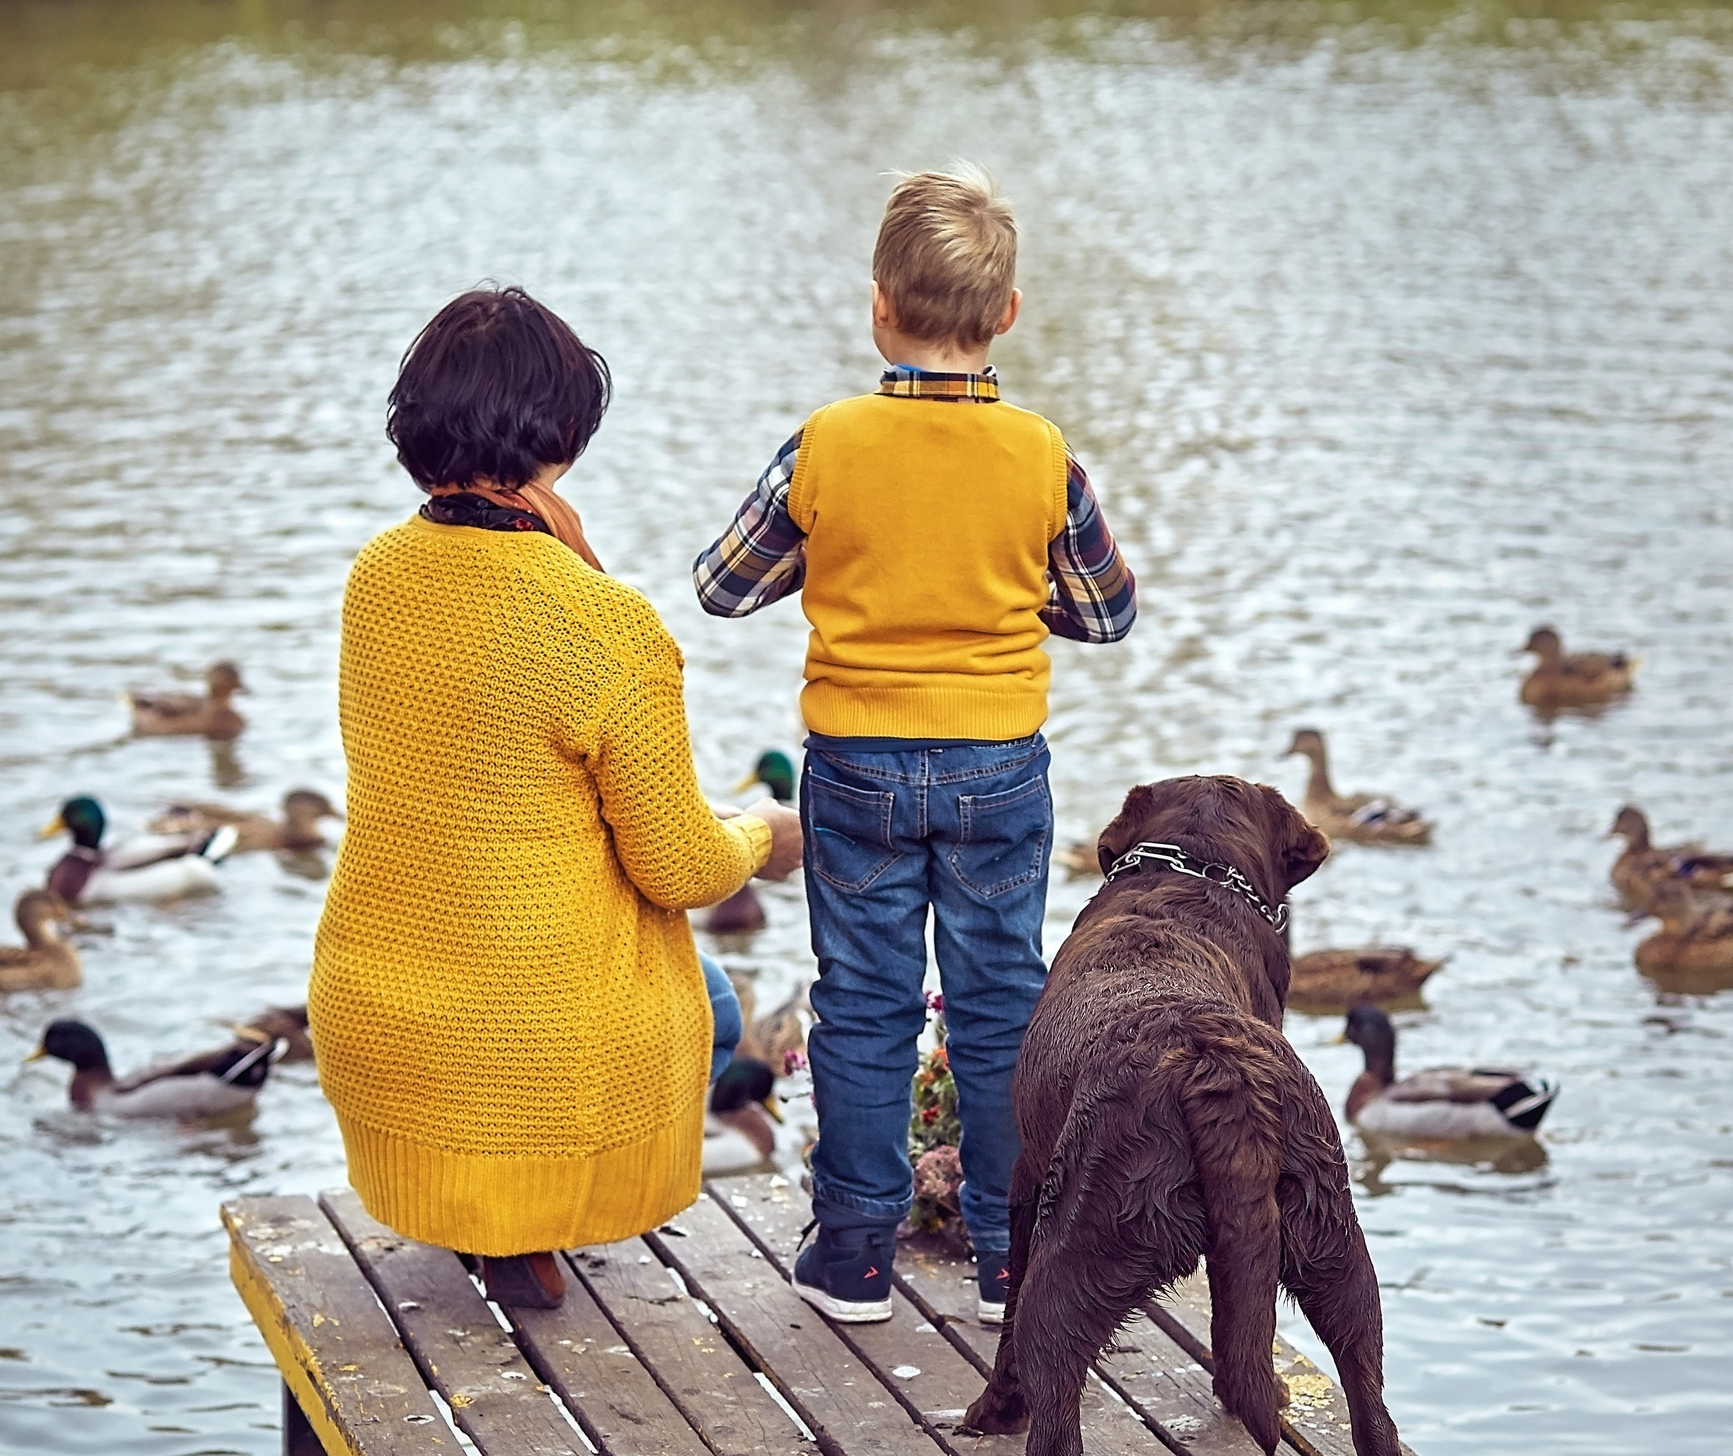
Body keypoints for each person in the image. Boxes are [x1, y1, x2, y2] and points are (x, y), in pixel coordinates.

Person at [692, 165, 1137, 1325]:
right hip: (998, 764)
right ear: (1008, 314)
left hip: (857, 767)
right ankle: (1007, 1258)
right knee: (1000, 1010)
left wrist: (839, 563)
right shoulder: (1044, 456)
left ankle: (852, 1256)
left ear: (879, 306)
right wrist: (998, 597)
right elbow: (1106, 613)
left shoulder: (825, 444)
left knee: (863, 1007)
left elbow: (722, 587)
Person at [312, 286, 803, 1311]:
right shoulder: (603, 623)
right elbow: (680, 869)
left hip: (377, 1023)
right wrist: (765, 836)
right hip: (517, 1061)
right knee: (715, 1004)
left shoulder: (375, 576)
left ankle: (481, 1210)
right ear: (563, 439)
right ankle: (530, 1216)